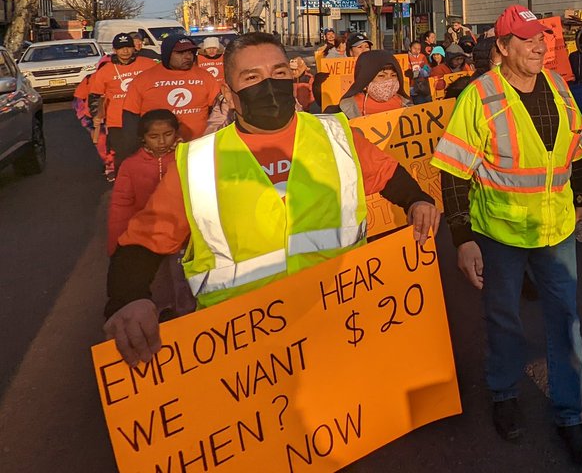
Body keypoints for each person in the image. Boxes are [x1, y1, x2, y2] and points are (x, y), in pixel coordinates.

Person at [103, 33, 440, 366]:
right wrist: (127, 298)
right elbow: (143, 242)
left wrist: (417, 201)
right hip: (247, 355)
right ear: (228, 94)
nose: (269, 84)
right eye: (252, 77)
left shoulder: (336, 136)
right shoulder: (197, 163)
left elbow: (388, 174)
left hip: (341, 327)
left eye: (279, 73)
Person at [431, 6, 582, 465]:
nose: (539, 46)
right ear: (501, 48)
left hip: (556, 229)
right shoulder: (479, 96)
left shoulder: (560, 87)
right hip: (499, 234)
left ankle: (570, 414)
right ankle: (504, 394)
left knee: (566, 321)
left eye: (541, 38)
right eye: (526, 40)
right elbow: (453, 173)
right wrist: (462, 239)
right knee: (504, 319)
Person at [106, 110, 194, 319]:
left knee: (183, 282)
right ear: (142, 138)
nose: (162, 141)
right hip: (147, 238)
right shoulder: (130, 165)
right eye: (154, 137)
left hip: (183, 238)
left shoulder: (188, 157)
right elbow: (121, 207)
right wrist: (116, 246)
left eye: (168, 134)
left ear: (176, 133)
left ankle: (187, 321)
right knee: (157, 283)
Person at [116, 34, 221, 166]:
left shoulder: (205, 77)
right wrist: (133, 150)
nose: (187, 56)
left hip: (197, 149)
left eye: (190, 52)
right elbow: (131, 117)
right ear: (167, 54)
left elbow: (218, 112)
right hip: (158, 153)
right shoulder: (144, 79)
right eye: (180, 53)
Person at [88, 33, 157, 177]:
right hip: (117, 121)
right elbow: (95, 96)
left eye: (128, 47)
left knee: (150, 153)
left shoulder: (148, 64)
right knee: (123, 155)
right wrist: (97, 115)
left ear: (134, 48)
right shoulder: (105, 70)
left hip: (146, 117)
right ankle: (124, 183)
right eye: (121, 48)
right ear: (114, 50)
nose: (125, 51)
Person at [329, 49, 409, 117]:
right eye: (381, 76)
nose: (389, 80)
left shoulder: (407, 105)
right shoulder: (346, 110)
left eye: (393, 75)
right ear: (365, 80)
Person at [446, 36, 497, 100]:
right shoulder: (440, 69)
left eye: (461, 59)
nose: (459, 62)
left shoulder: (466, 67)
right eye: (457, 59)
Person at [405, 40, 432, 104]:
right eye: (414, 48)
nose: (417, 50)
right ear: (410, 48)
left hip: (423, 85)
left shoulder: (422, 56)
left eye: (419, 49)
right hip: (411, 86)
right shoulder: (406, 57)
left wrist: (425, 71)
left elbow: (427, 69)